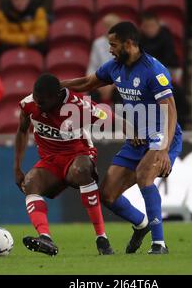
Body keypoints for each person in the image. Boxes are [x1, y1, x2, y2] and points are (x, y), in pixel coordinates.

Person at [61, 22, 183, 255]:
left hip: (161, 135)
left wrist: (164, 148)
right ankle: (141, 224)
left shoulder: (153, 70)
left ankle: (159, 244)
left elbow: (171, 110)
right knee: (106, 194)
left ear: (129, 44)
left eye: (113, 45)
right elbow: (88, 82)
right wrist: (60, 86)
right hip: (137, 138)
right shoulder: (115, 67)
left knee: (145, 177)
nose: (110, 50)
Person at [15, 73, 113, 256]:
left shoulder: (78, 106)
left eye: (42, 101)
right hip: (50, 161)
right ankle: (45, 237)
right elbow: (22, 131)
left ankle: (102, 238)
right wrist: (17, 167)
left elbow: (110, 118)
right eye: (35, 99)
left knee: (81, 169)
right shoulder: (28, 105)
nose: (37, 104)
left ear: (56, 97)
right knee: (30, 182)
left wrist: (135, 134)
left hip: (79, 155)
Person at [140, 12, 189, 127]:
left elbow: (171, 61)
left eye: (152, 26)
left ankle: (180, 122)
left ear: (158, 25)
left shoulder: (166, 38)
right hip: (142, 77)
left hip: (163, 75)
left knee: (174, 91)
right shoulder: (138, 41)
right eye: (147, 26)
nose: (150, 29)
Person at [87, 14, 121, 106]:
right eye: (107, 26)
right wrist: (98, 85)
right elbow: (92, 68)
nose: (110, 29)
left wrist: (112, 85)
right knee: (91, 96)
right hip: (100, 82)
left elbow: (125, 69)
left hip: (118, 84)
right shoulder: (97, 43)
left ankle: (123, 120)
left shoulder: (124, 44)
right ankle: (92, 119)